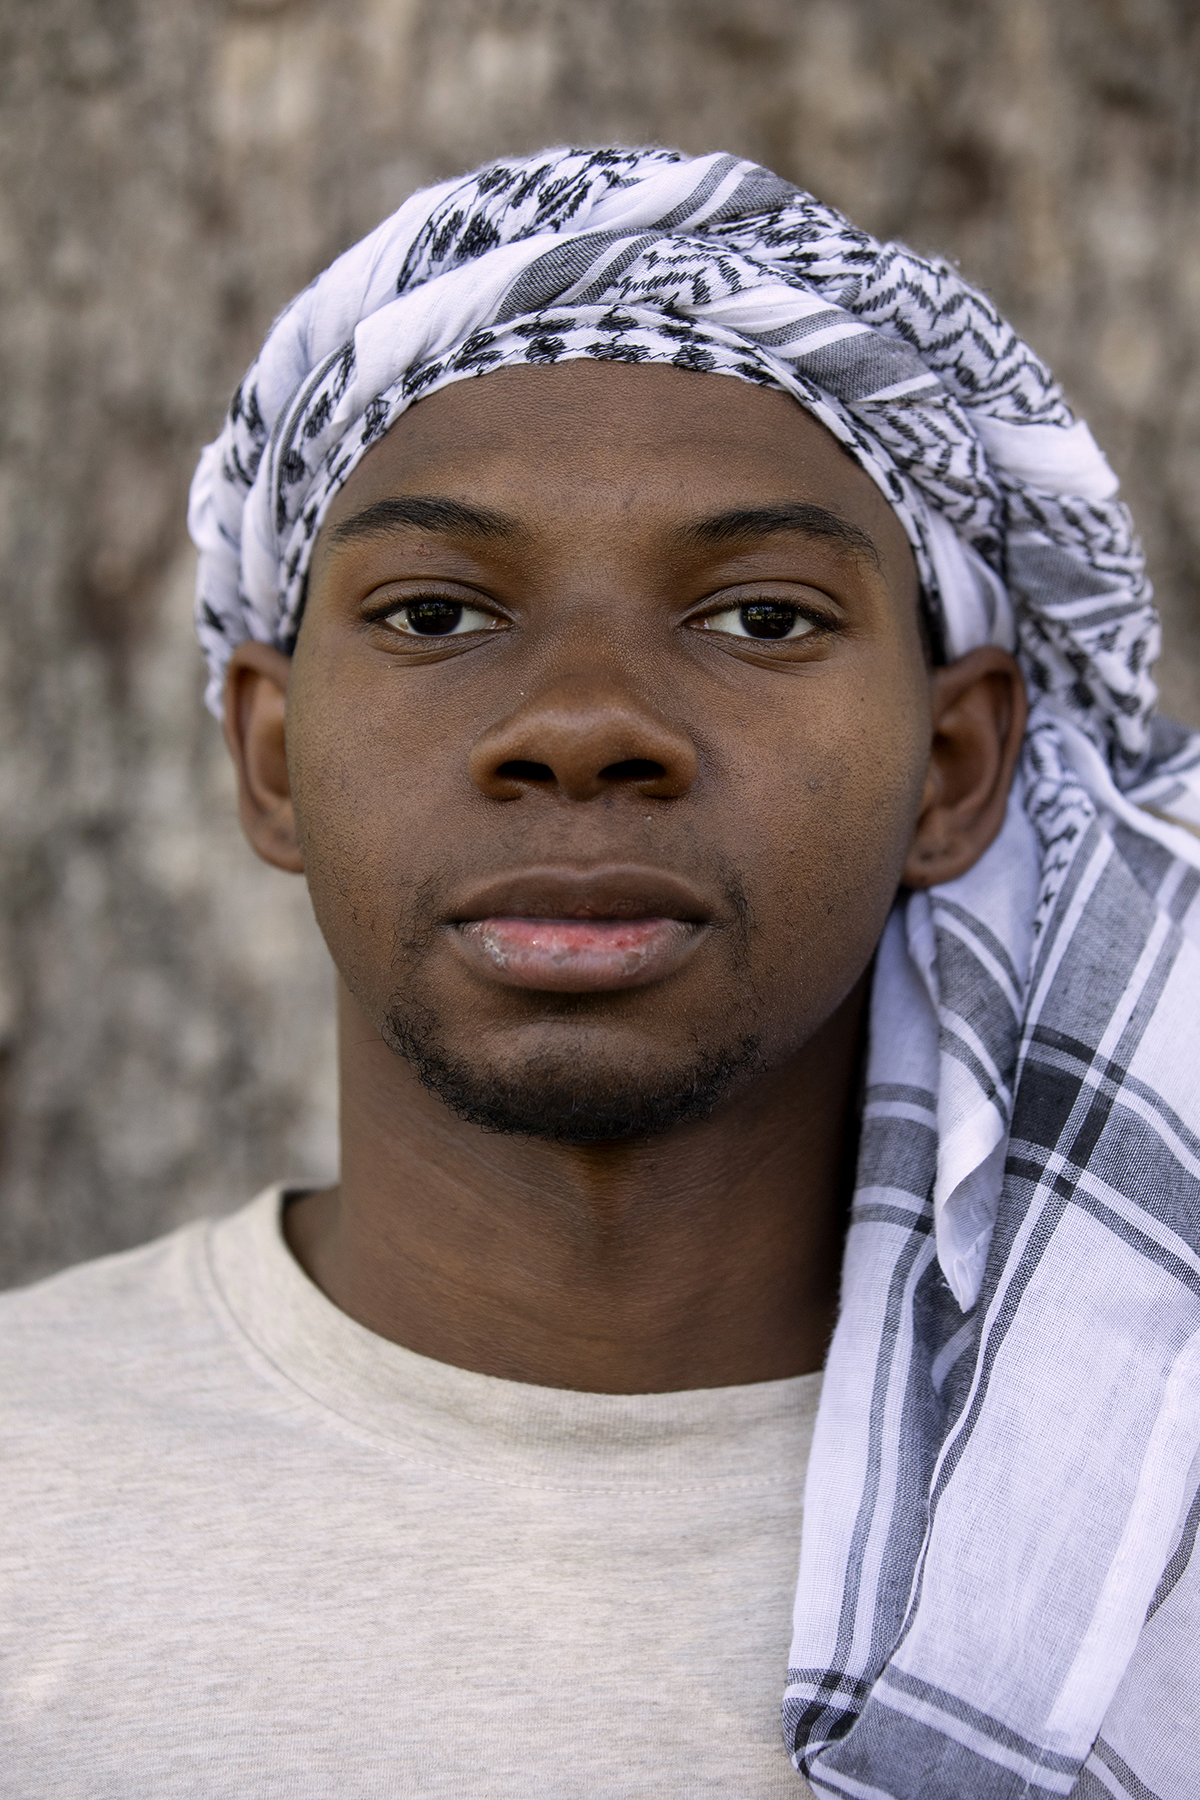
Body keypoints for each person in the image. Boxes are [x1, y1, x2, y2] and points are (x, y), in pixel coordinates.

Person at [2, 149, 1198, 1800]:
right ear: (273, 758)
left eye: (763, 620)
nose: (583, 724)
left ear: (953, 765)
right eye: (433, 613)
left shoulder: (1150, 1532)